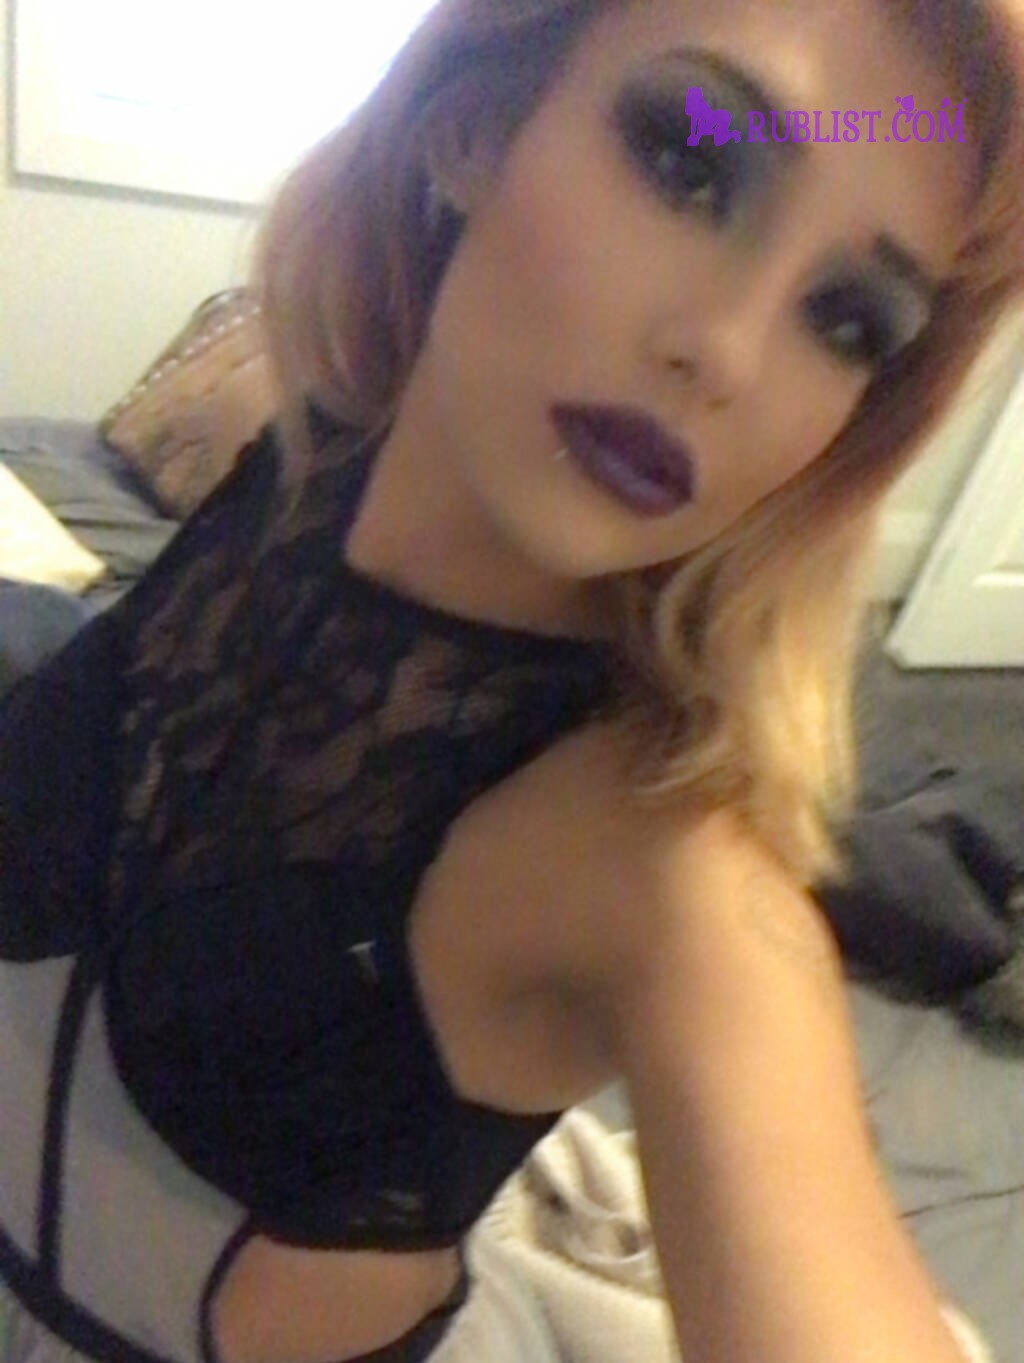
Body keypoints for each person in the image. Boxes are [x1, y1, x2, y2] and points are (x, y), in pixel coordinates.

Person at [2, 1, 1023, 1362]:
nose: (725, 352)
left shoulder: (667, 874)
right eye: (690, 164)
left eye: (846, 319)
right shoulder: (301, 469)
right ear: (474, 124)